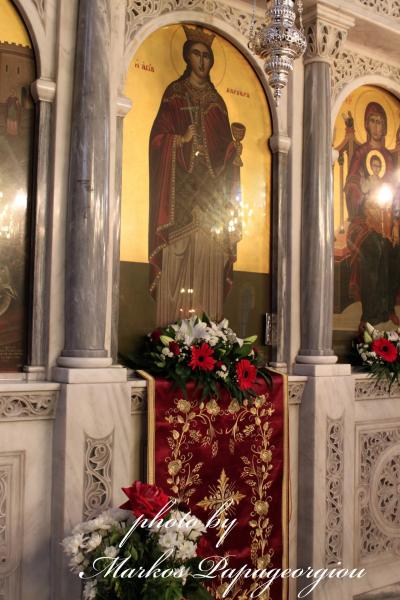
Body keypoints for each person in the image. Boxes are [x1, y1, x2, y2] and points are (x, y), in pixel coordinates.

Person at [148, 25, 244, 326]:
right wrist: (180, 140)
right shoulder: (174, 94)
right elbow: (157, 139)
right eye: (197, 54)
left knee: (210, 248)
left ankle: (207, 322)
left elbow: (223, 147)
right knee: (180, 245)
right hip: (179, 186)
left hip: (211, 189)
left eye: (206, 56)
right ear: (186, 57)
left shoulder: (217, 101)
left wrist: (233, 152)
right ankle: (173, 323)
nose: (202, 61)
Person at [345, 102, 399, 327]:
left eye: (381, 122)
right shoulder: (360, 153)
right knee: (374, 247)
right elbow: (351, 184)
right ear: (367, 124)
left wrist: (396, 221)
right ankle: (370, 314)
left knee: (394, 250)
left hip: (388, 221)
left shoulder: (390, 158)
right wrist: (364, 196)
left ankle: (388, 308)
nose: (377, 126)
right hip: (363, 221)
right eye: (373, 121)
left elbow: (396, 192)